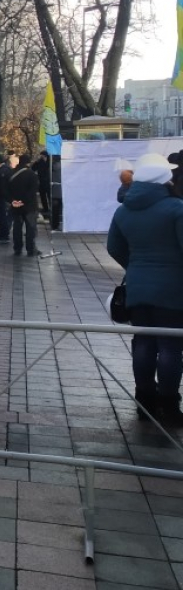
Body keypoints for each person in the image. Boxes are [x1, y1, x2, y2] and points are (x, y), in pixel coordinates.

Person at [107, 153, 183, 423]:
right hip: (173, 289)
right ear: (165, 178)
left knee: (142, 344)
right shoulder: (176, 208)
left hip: (137, 286)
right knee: (171, 347)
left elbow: (113, 247)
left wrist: (136, 266)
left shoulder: (124, 209)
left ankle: (145, 402)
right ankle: (169, 405)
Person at [8, 153, 39, 257]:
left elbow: (7, 189)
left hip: (16, 206)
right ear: (28, 163)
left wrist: (13, 201)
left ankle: (17, 248)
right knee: (30, 228)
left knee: (17, 227)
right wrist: (23, 201)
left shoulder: (12, 173)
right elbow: (33, 191)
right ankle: (30, 249)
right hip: (29, 206)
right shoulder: (32, 174)